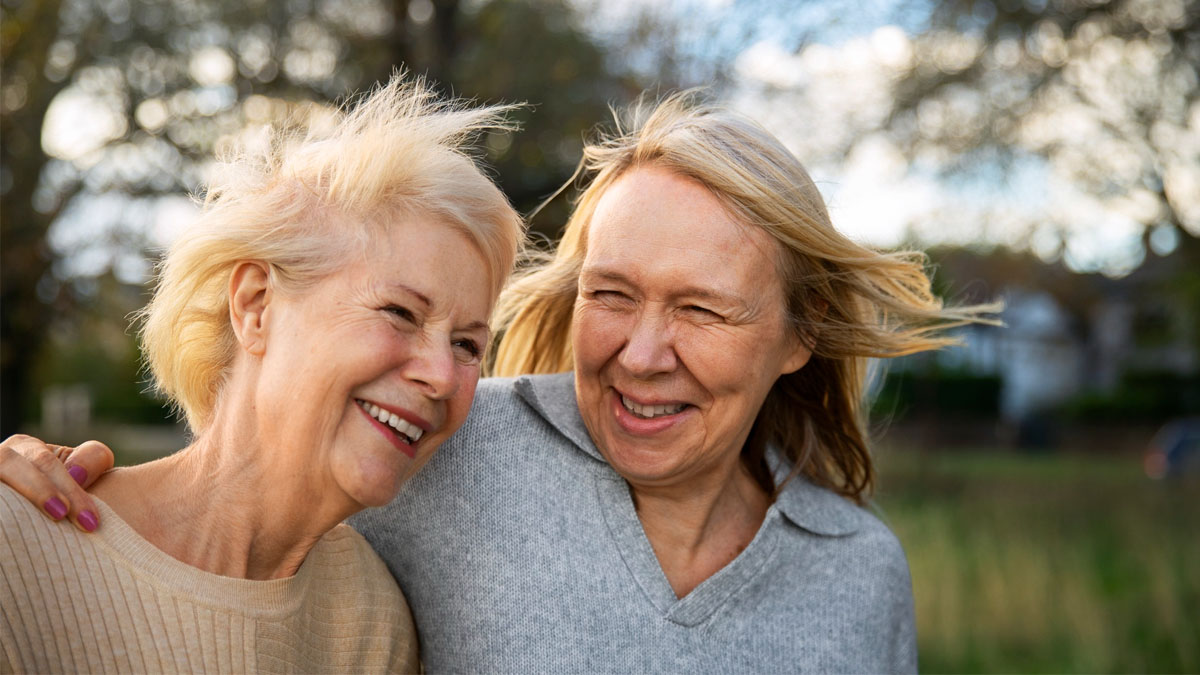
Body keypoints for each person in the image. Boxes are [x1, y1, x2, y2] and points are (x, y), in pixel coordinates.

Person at [3, 92, 994, 672]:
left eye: (701, 309)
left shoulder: (860, 577)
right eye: (614, 294)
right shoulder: (454, 446)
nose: (643, 354)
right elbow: (256, 476)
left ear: (796, 336)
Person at [0, 75, 523, 673]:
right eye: (400, 312)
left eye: (466, 344)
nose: (441, 375)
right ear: (255, 306)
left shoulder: (373, 623)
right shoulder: (18, 553)